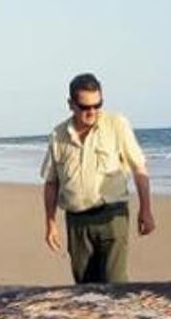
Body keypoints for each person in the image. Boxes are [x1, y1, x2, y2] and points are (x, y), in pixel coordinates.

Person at [41, 73, 156, 283]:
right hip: (77, 222)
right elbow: (51, 182)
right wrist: (50, 223)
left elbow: (139, 168)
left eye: (97, 105)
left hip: (112, 217)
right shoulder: (58, 135)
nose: (92, 112)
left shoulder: (116, 124)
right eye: (85, 107)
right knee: (86, 289)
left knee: (116, 285)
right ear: (71, 104)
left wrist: (146, 210)